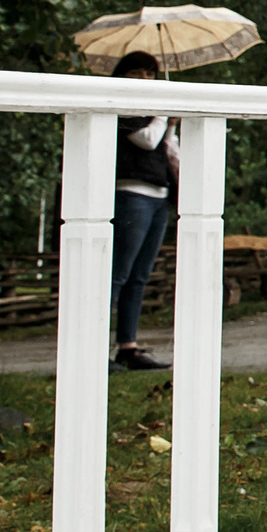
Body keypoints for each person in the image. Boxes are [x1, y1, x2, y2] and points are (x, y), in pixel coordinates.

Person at [109, 50, 174, 372]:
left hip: (160, 194)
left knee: (139, 275)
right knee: (117, 273)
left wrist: (171, 124)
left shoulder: (151, 109)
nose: (146, 80)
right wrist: (163, 115)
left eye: (151, 74)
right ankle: (93, 345)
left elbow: (164, 147)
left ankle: (128, 346)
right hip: (132, 192)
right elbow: (146, 140)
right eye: (138, 73)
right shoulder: (123, 107)